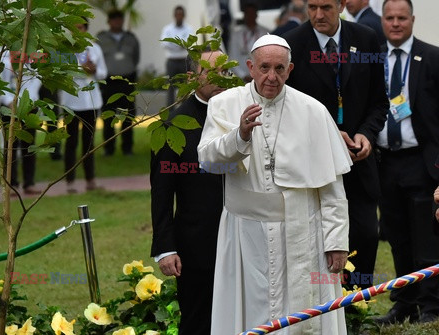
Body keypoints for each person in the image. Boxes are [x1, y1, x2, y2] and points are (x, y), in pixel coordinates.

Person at [198, 34, 352, 335]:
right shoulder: (223, 104)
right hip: (245, 235)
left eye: (280, 69)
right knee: (251, 312)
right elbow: (208, 161)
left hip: (303, 231)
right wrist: (239, 136)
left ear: (290, 69)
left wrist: (336, 241)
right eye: (265, 67)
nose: (272, 76)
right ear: (250, 67)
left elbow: (332, 187)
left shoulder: (313, 111)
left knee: (306, 320)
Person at [282, 0, 389, 288]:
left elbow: (380, 102)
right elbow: (283, 111)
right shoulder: (290, 44)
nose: (318, 15)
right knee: (321, 243)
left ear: (342, 5)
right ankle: (326, 313)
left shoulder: (365, 39)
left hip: (359, 163)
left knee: (365, 235)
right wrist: (329, 137)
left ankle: (358, 308)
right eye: (312, 7)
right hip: (313, 168)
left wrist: (366, 133)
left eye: (326, 7)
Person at [150, 49, 226, 335]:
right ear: (193, 78)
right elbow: (161, 192)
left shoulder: (242, 115)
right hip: (197, 245)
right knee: (198, 320)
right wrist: (165, 247)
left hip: (243, 239)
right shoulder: (173, 127)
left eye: (226, 71)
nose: (222, 78)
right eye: (213, 72)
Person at [374, 0, 439, 325]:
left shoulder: (432, 57)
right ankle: (403, 303)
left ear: (412, 20)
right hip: (386, 162)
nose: (396, 23)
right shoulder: (372, 59)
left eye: (402, 18)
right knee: (396, 234)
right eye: (390, 18)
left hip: (422, 161)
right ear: (382, 21)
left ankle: (431, 305)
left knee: (426, 236)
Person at [59, 20, 107, 193]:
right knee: (71, 142)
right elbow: (62, 72)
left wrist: (94, 71)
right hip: (71, 102)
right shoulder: (64, 49)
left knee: (89, 143)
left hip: (92, 102)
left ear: (86, 29)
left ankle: (90, 180)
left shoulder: (94, 48)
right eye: (74, 28)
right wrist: (81, 68)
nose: (77, 31)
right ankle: (70, 181)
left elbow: (103, 72)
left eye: (80, 28)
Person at [97, 10, 140, 156]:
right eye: (114, 19)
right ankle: (109, 149)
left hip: (127, 81)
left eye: (119, 19)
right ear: (108, 22)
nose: (117, 22)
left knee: (127, 116)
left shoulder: (131, 38)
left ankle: (127, 148)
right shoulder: (101, 38)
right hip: (108, 82)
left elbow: (136, 58)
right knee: (108, 116)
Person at [0, 51, 43, 196]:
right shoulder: (4, 57)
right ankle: (11, 184)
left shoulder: (33, 57)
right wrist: (9, 102)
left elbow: (37, 79)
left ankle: (29, 183)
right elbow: (0, 83)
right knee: (10, 146)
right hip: (9, 108)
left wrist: (28, 101)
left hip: (29, 106)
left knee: (29, 145)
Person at [160, 6, 194, 109]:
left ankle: (185, 109)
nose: (179, 16)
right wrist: (179, 45)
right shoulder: (167, 28)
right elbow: (164, 43)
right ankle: (170, 111)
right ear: (174, 15)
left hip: (185, 61)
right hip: (172, 61)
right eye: (177, 14)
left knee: (186, 86)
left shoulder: (189, 28)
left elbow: (189, 43)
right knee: (170, 87)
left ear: (184, 16)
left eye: (181, 14)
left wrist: (175, 44)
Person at [228, 2, 268, 82]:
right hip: (241, 78)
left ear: (256, 15)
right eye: (248, 14)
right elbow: (232, 57)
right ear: (244, 16)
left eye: (252, 13)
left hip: (261, 77)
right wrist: (243, 75)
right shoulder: (236, 35)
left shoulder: (265, 32)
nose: (250, 16)